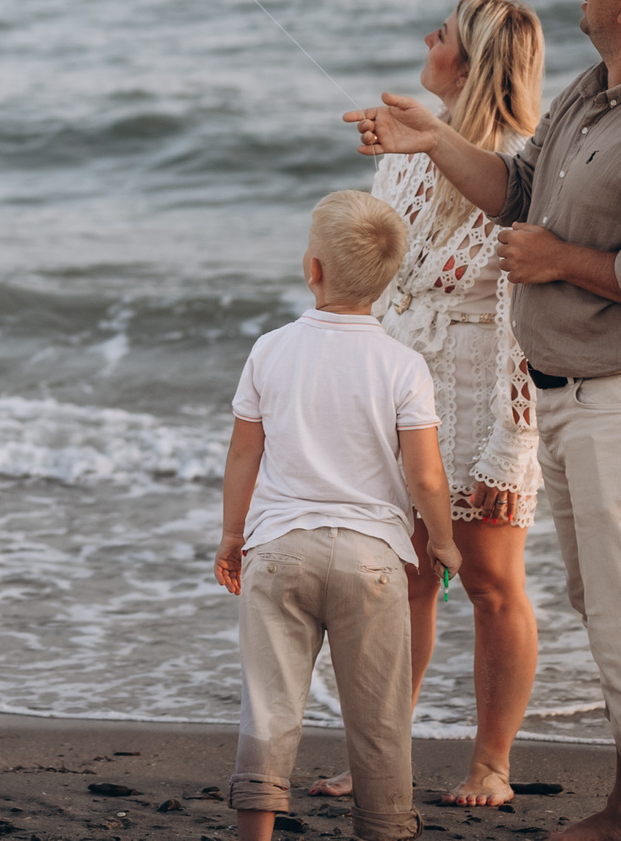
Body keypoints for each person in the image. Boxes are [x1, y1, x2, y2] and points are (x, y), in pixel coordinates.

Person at [346, 0, 621, 841]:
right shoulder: (593, 92)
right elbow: (519, 189)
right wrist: (430, 138)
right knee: (606, 611)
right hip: (570, 391)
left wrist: (562, 260)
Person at [313, 0, 547, 809]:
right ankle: (380, 755)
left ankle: (490, 763)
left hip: (483, 391)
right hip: (401, 390)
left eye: (441, 34)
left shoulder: (525, 163)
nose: (425, 37)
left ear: (473, 63)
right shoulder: (407, 153)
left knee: (488, 580)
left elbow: (526, 318)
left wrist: (509, 447)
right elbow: (384, 282)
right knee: (398, 578)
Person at [216, 190, 465, 841]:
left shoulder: (270, 350)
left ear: (312, 269)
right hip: (372, 560)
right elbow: (427, 474)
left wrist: (233, 535)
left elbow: (245, 453)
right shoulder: (403, 365)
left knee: (268, 707)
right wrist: (442, 540)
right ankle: (384, 827)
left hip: (278, 552)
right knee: (380, 720)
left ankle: (256, 832)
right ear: (387, 283)